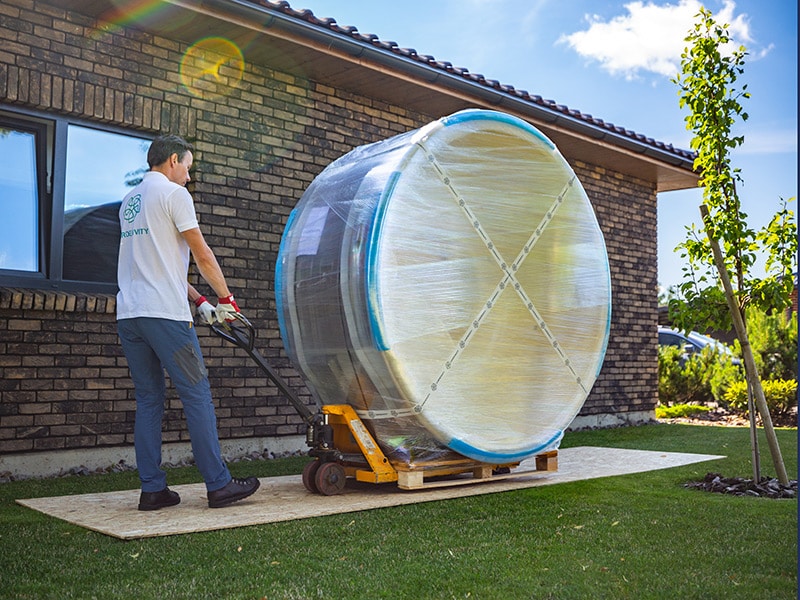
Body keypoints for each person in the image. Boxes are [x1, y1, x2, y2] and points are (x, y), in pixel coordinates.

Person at [117, 134, 260, 510]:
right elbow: (202, 253)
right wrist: (227, 299)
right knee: (196, 394)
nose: (189, 178)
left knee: (149, 399)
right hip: (165, 315)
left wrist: (199, 300)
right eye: (188, 168)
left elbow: (156, 264)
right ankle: (219, 484)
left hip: (130, 316)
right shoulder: (173, 195)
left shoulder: (130, 202)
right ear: (173, 161)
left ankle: (152, 490)